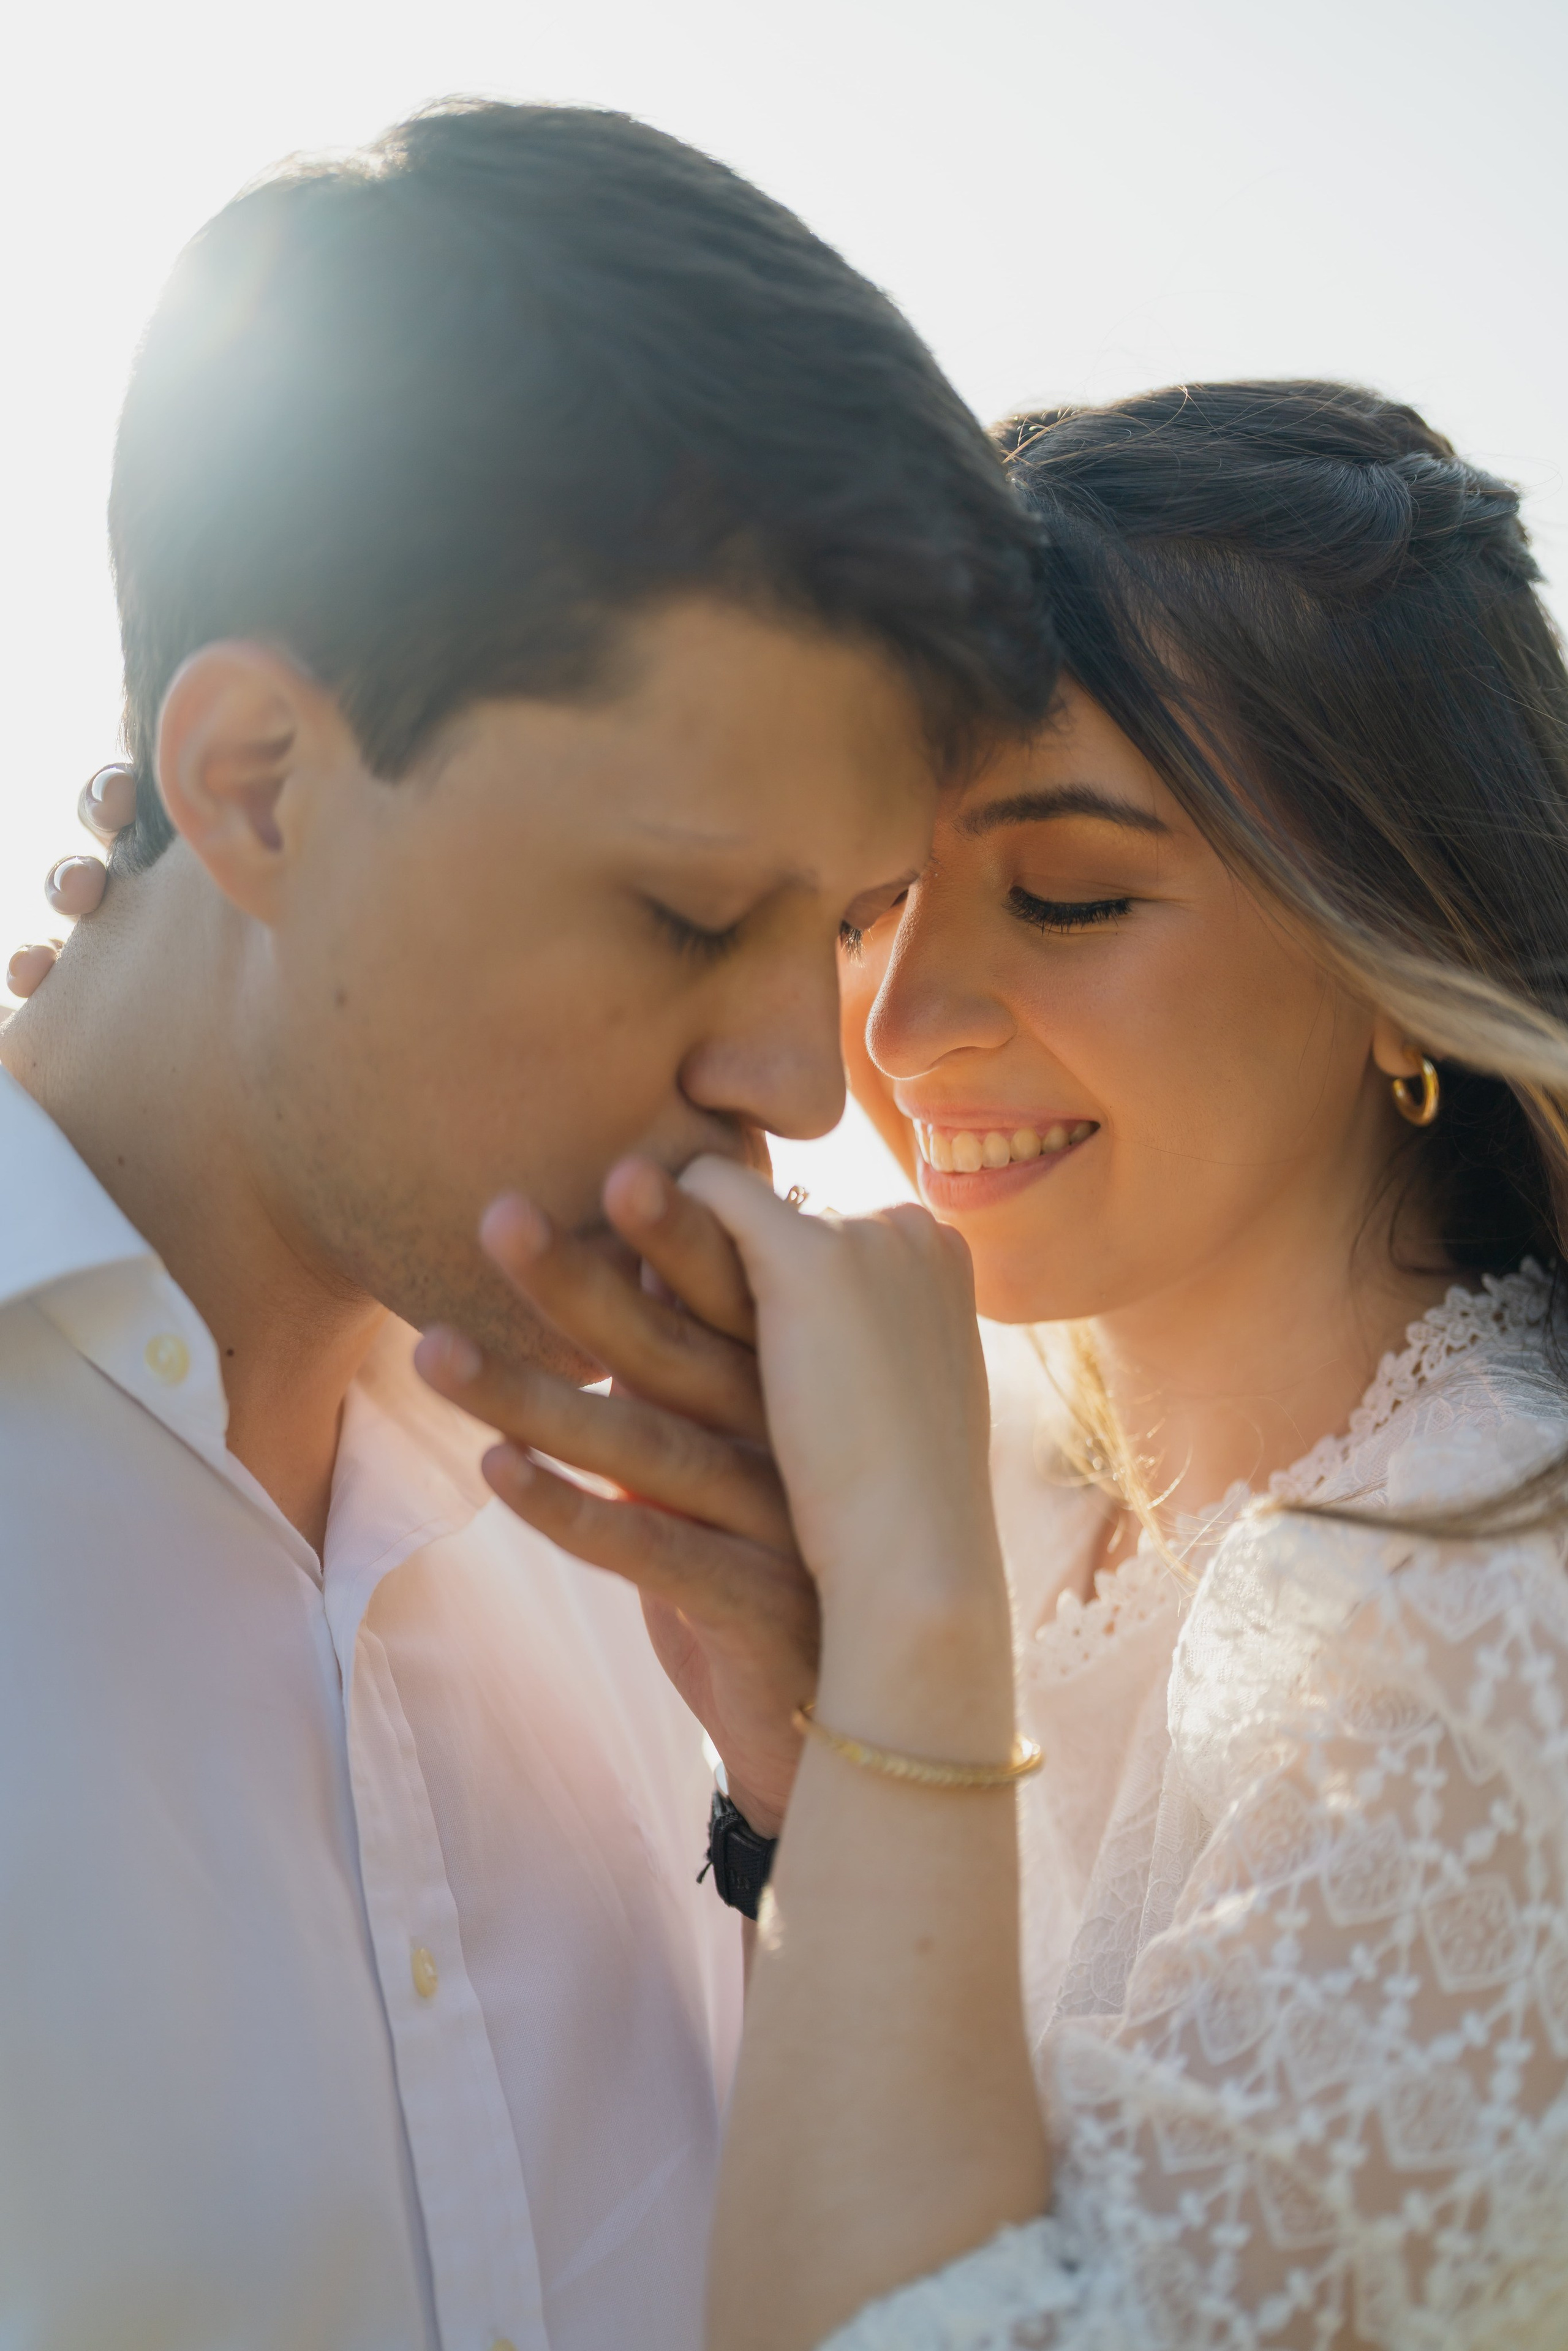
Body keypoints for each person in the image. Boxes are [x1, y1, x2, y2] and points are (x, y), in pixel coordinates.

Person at [348, 380, 1568, 2350]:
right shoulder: (999, 1470)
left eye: (1068, 895)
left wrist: (915, 1643)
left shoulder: (1489, 1616)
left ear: (1392, 948)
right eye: (868, 905)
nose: (897, 1027)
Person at [0, 98, 1054, 2351]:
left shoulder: (691, 1553)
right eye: (687, 912)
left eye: (851, 927)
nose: (803, 1077)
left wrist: (816, 1800)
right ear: (256, 783)